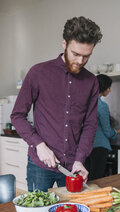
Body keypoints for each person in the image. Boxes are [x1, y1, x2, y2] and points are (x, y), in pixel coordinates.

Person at [10, 16, 103, 192]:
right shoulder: (38, 72)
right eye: (75, 54)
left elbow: (90, 125)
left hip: (73, 167)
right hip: (39, 164)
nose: (80, 61)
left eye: (86, 56)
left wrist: (80, 159)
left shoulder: (91, 81)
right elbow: (17, 116)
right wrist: (39, 145)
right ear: (64, 44)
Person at [85, 74, 120, 180]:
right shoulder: (102, 106)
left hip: (84, 147)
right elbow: (107, 131)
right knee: (97, 179)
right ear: (104, 88)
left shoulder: (84, 103)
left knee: (87, 179)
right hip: (99, 147)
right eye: (109, 87)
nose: (110, 90)